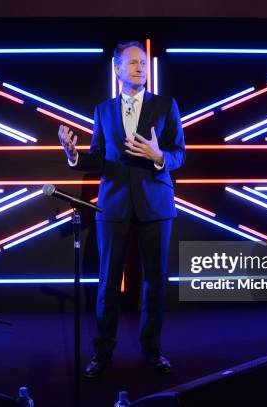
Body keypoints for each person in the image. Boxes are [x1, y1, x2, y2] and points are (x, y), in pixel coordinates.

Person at [58, 40, 185, 378]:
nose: (139, 67)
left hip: (156, 203)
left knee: (155, 281)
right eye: (131, 63)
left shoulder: (166, 105)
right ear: (116, 70)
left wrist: (159, 157)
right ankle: (102, 353)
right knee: (107, 282)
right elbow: (99, 155)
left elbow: (179, 153)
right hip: (113, 205)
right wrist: (74, 155)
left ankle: (153, 351)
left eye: (142, 62)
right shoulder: (103, 110)